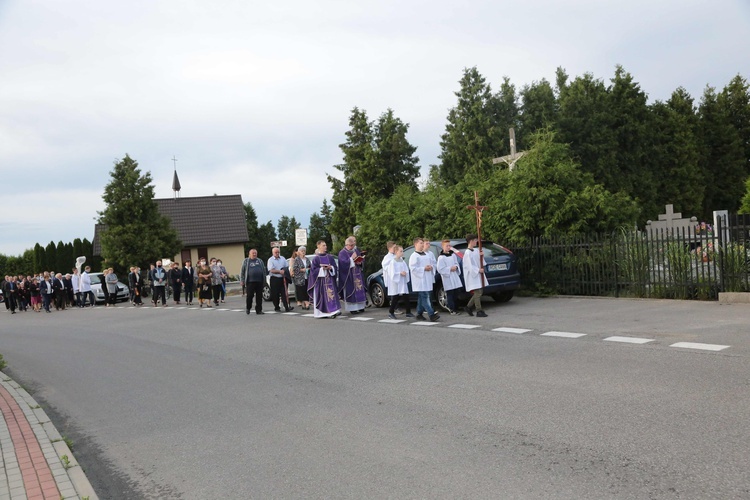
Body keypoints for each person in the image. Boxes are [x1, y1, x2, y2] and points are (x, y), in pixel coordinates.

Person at [307, 240, 340, 318]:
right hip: (320, 283)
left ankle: (334, 311)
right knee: (322, 297)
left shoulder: (330, 257)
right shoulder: (316, 259)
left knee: (331, 296)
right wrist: (322, 269)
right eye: (323, 245)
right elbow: (313, 271)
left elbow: (335, 267)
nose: (325, 247)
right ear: (318, 246)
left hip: (330, 281)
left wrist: (330, 268)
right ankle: (322, 313)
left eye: (325, 245)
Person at [408, 238, 439, 322]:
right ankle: (431, 314)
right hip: (420, 280)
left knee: (422, 297)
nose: (422, 244)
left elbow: (432, 263)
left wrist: (431, 267)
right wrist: (423, 268)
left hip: (427, 278)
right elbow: (413, 268)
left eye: (422, 243)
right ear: (416, 244)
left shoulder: (426, 254)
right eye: (421, 243)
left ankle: (419, 313)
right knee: (425, 296)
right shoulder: (414, 256)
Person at [338, 236, 367, 315]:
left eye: (352, 245)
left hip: (357, 273)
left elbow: (360, 258)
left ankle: (361, 307)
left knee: (360, 289)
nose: (351, 247)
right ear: (346, 244)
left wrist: (360, 262)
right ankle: (353, 308)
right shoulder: (342, 253)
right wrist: (351, 259)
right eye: (350, 245)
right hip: (349, 276)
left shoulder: (355, 250)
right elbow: (343, 264)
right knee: (352, 291)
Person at [463, 233, 489, 317]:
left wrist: (481, 255)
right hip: (473, 275)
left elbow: (479, 260)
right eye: (475, 240)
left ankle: (468, 307)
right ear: (471, 241)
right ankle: (479, 310)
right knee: (478, 292)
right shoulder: (467, 253)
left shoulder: (475, 250)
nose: (476, 242)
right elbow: (469, 266)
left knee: (479, 291)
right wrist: (478, 270)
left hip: (478, 274)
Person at [387, 245, 413, 320]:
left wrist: (405, 273)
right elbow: (392, 273)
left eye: (402, 251)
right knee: (396, 297)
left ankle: (408, 312)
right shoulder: (393, 262)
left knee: (406, 296)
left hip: (402, 281)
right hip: (396, 283)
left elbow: (406, 269)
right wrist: (400, 273)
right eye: (400, 251)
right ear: (396, 252)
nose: (402, 253)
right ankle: (391, 312)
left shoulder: (402, 261)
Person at [437, 239, 462, 315]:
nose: (448, 247)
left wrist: (456, 267)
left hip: (454, 276)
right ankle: (452, 309)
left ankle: (456, 306)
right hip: (448, 277)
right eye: (446, 246)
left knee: (456, 292)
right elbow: (440, 269)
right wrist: (449, 269)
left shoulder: (453, 255)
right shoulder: (441, 258)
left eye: (449, 246)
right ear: (443, 246)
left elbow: (456, 263)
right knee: (450, 293)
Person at [240, 248, 266, 315]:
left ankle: (259, 310)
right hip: (250, 281)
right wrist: (242, 280)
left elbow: (263, 270)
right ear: (249, 254)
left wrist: (264, 279)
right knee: (250, 296)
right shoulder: (246, 261)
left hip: (259, 281)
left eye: (255, 253)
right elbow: (242, 271)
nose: (254, 254)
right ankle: (248, 308)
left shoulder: (260, 261)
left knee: (259, 296)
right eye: (253, 253)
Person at [267, 247, 292, 312]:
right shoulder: (270, 260)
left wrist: (284, 270)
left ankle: (287, 307)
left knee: (284, 293)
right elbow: (271, 270)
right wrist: (279, 271)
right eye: (276, 252)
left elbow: (286, 266)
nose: (277, 253)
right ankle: (277, 307)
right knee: (275, 294)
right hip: (275, 278)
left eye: (278, 252)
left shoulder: (283, 258)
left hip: (282, 278)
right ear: (273, 253)